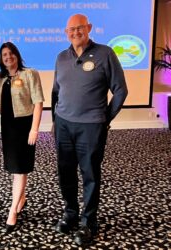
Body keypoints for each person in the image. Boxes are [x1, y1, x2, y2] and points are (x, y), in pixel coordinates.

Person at [51, 14, 128, 246]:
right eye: (71, 29)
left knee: (90, 175)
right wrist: (55, 119)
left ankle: (88, 222)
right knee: (65, 173)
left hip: (91, 126)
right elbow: (56, 92)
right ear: (66, 33)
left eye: (80, 28)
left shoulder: (105, 54)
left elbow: (121, 90)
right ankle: (71, 213)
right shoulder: (61, 57)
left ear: (89, 28)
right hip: (63, 124)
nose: (76, 32)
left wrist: (105, 118)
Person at [0, 42, 44, 233]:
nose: (8, 57)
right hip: (7, 127)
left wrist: (34, 129)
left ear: (17, 55)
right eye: (4, 54)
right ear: (1, 58)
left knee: (20, 169)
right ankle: (21, 198)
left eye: (11, 53)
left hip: (24, 127)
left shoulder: (29, 74)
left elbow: (38, 102)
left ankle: (12, 211)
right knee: (14, 168)